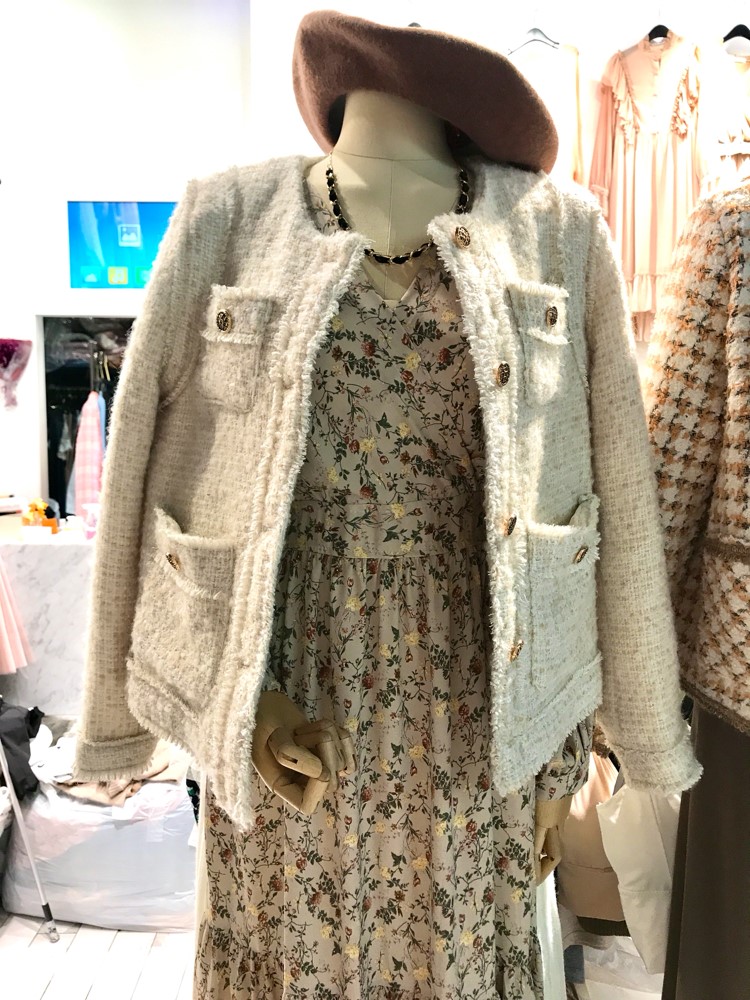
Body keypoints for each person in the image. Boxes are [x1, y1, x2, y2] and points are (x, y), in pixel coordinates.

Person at [73, 13, 700, 999]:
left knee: (460, 955)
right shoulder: (228, 218)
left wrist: (568, 754)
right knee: (295, 950)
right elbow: (148, 484)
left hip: (483, 700)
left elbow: (612, 504)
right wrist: (231, 707)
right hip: (289, 681)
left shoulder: (560, 232)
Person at [644, 181, 750, 1000]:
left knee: (733, 948)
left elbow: (668, 467)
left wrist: (633, 676)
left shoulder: (735, 224)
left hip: (744, 671)